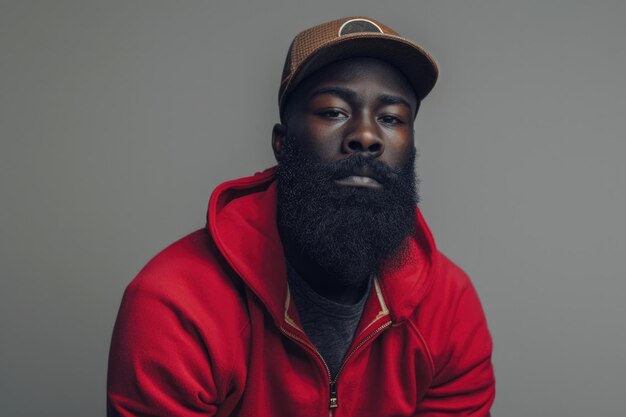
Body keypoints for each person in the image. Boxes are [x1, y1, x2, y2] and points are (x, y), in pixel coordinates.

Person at [107, 16, 495, 416]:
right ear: (281, 141)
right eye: (333, 111)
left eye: (392, 118)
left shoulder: (448, 307)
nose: (366, 135)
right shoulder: (176, 305)